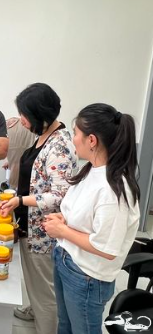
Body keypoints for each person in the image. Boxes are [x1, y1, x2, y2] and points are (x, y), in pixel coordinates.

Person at [44, 104, 140, 334]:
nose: (73, 139)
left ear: (92, 140)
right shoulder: (91, 170)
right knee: (65, 325)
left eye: (76, 133)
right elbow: (85, 216)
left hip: (86, 277)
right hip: (67, 260)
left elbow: (106, 248)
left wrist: (62, 231)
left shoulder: (113, 189)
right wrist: (63, 219)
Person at [0, 83, 77, 334]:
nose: (22, 120)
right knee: (34, 278)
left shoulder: (59, 146)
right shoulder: (44, 134)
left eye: (25, 115)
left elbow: (59, 195)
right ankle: (35, 309)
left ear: (41, 115)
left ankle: (47, 325)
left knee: (45, 288)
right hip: (30, 224)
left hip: (43, 231)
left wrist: (20, 201)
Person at [3, 117, 36, 190]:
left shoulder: (35, 125)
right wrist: (6, 159)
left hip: (26, 162)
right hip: (15, 161)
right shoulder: (11, 122)